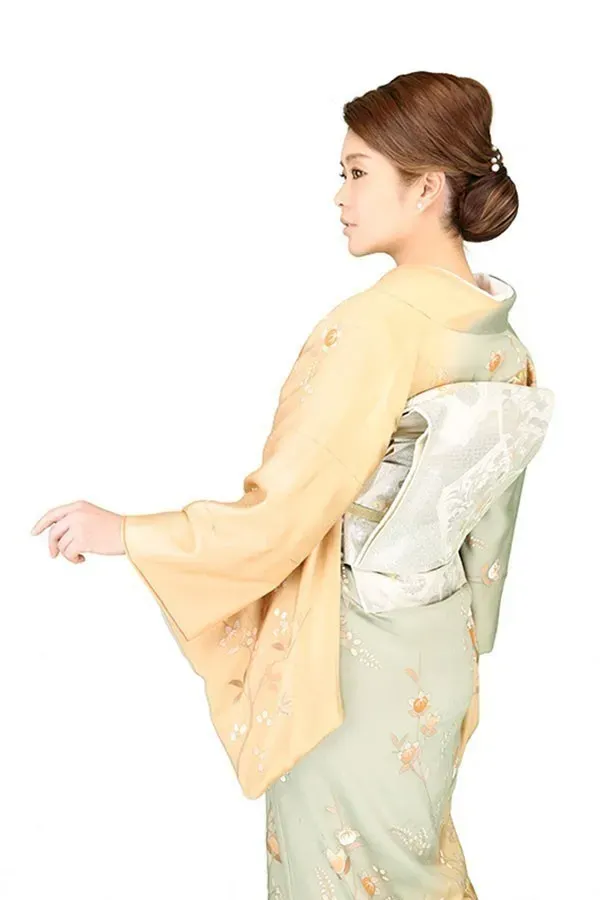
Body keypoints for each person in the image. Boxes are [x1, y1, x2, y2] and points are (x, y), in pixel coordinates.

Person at [30, 71, 554, 899]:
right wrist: (467, 636)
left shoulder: (374, 327)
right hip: (437, 655)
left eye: (358, 172)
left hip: (350, 672)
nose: (339, 195)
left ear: (426, 188)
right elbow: (488, 531)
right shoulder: (503, 339)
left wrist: (128, 532)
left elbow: (281, 515)